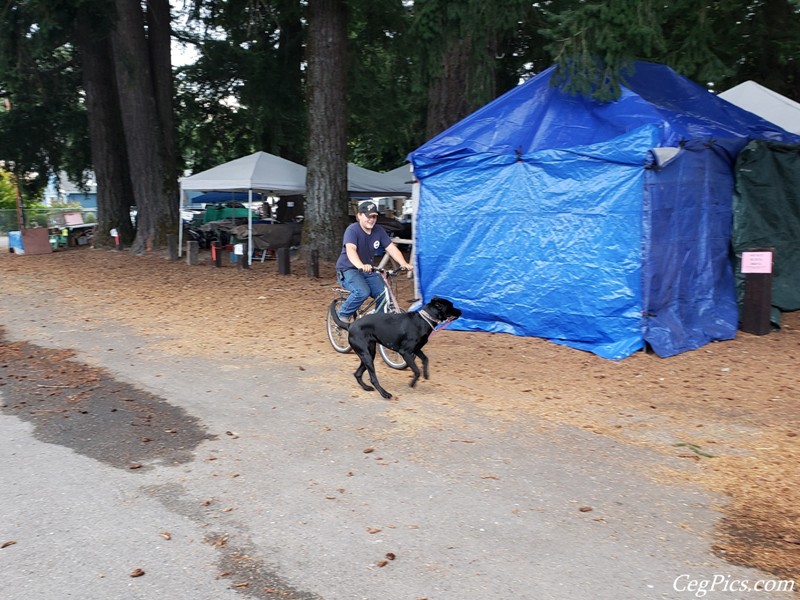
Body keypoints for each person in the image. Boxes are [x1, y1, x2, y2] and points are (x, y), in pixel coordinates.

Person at [335, 200, 413, 321]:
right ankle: (343, 315)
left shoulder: (379, 230)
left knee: (384, 294)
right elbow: (351, 250)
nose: (372, 219)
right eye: (368, 216)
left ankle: (376, 323)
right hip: (348, 269)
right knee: (362, 292)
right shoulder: (352, 230)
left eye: (374, 216)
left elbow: (391, 248)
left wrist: (403, 263)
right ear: (359, 216)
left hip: (368, 270)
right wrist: (360, 265)